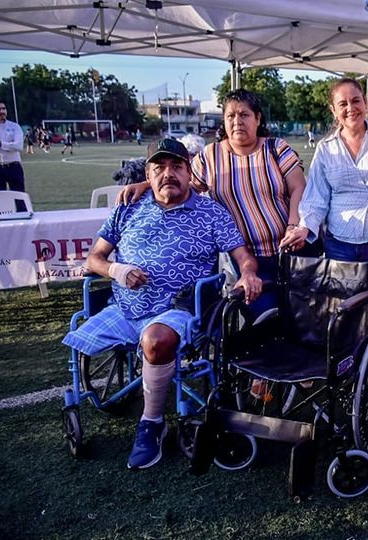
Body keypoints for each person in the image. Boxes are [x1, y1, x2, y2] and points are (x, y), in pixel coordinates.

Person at [63, 138, 262, 469]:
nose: (168, 174)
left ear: (188, 171)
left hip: (179, 309)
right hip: (125, 306)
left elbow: (244, 257)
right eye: (159, 168)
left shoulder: (211, 212)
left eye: (176, 167)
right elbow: (94, 258)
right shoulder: (128, 206)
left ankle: (152, 422)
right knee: (81, 335)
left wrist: (248, 275)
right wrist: (117, 270)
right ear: (148, 173)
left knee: (155, 340)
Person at [120, 89, 306, 317]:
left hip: (290, 250)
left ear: (257, 119)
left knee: (298, 315)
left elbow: (298, 187)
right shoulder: (211, 155)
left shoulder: (276, 148)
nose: (237, 121)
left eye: (244, 115)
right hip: (247, 257)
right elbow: (181, 180)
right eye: (231, 116)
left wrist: (293, 225)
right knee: (263, 316)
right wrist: (146, 185)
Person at [279, 77, 368, 323]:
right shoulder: (326, 148)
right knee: (346, 313)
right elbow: (317, 197)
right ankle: (350, 359)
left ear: (365, 103)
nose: (350, 108)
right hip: (340, 243)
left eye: (356, 100)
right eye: (342, 103)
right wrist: (304, 228)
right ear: (333, 110)